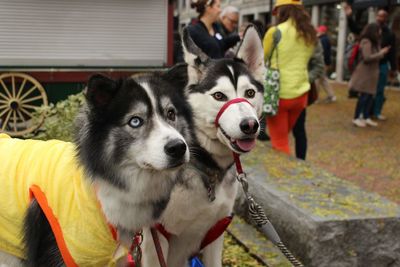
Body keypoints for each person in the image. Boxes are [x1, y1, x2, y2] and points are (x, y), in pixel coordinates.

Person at [263, 0, 317, 155]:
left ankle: (285, 177)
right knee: (283, 135)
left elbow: (263, 58)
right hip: (301, 95)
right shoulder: (309, 33)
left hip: (278, 94)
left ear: (282, 11)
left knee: (279, 142)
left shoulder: (275, 32)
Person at [345, 4, 397, 120]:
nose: (379, 18)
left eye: (382, 16)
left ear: (386, 18)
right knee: (366, 91)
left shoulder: (389, 34)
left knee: (379, 90)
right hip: (370, 65)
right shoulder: (370, 29)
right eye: (378, 15)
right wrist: (349, 17)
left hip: (382, 64)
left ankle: (375, 112)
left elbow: (392, 52)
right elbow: (356, 29)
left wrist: (393, 68)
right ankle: (364, 114)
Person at [350, 23, 390, 127]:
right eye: (378, 30)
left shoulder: (375, 42)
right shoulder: (366, 41)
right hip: (365, 72)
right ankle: (356, 117)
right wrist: (381, 53)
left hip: (372, 72)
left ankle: (366, 116)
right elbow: (367, 57)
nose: (380, 32)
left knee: (369, 95)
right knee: (364, 96)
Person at [292, 42, 325, 160]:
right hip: (280, 91)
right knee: (280, 133)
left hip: (300, 92)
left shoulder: (310, 39)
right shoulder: (279, 33)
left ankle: (301, 161)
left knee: (299, 129)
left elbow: (319, 66)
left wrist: (304, 79)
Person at [316, 25, 336, 103]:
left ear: (322, 31)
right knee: (323, 80)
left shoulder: (322, 40)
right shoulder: (324, 39)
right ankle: (332, 96)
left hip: (321, 63)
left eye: (319, 30)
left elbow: (323, 53)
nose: (318, 32)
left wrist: (326, 63)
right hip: (324, 63)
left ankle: (315, 98)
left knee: (317, 80)